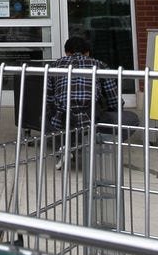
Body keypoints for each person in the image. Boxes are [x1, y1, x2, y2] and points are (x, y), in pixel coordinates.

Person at [46, 36, 139, 168]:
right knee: (133, 119)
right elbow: (115, 100)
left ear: (67, 52)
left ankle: (67, 146)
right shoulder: (99, 65)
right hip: (92, 120)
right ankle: (95, 145)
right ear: (87, 52)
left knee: (44, 118)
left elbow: (48, 100)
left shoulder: (54, 66)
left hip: (62, 121)